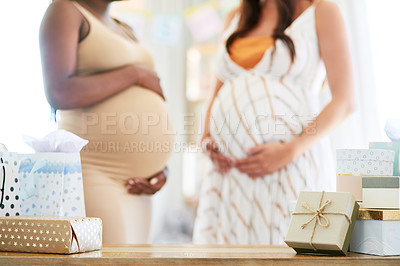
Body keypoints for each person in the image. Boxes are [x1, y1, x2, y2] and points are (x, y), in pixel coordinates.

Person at [193, 0, 355, 244]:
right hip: (231, 173)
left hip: (291, 164)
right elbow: (217, 91)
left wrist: (290, 150)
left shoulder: (321, 11)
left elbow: (345, 101)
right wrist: (205, 138)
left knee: (286, 248)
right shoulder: (237, 17)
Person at [40, 0, 174, 244]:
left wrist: (159, 167)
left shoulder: (124, 27)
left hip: (138, 187)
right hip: (97, 172)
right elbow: (59, 92)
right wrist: (135, 73)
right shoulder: (66, 9)